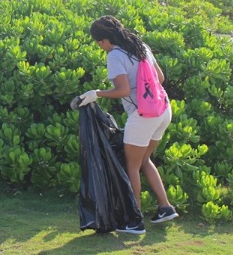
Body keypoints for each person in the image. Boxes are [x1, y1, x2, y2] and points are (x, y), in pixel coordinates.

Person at [75, 15, 178, 234]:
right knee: (144, 160)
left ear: (103, 41)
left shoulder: (115, 56)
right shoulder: (140, 46)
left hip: (143, 115)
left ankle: (134, 220)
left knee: (131, 166)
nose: (100, 47)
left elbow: (121, 90)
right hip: (163, 109)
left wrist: (96, 94)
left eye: (98, 44)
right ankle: (165, 208)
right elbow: (159, 78)